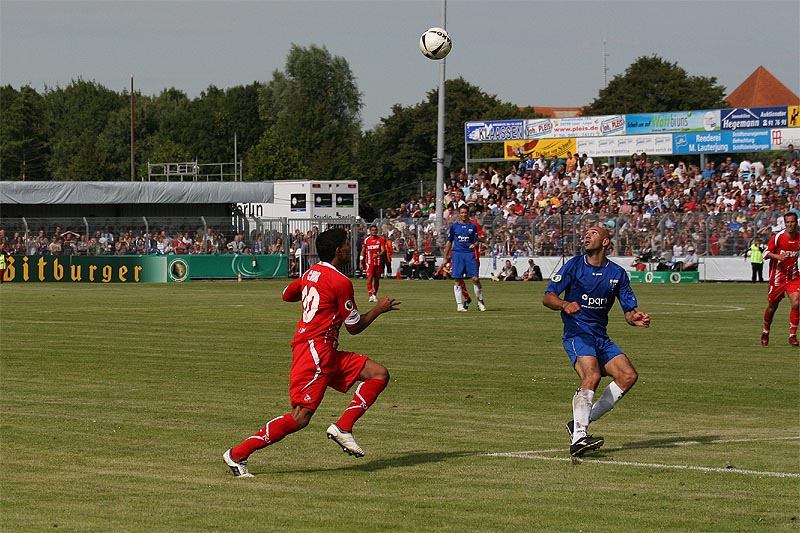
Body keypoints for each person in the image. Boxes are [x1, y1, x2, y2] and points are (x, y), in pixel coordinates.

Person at [223, 228, 401, 478]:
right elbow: (354, 327)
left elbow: (287, 295)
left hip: (325, 350)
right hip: (315, 352)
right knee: (300, 417)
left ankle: (343, 426)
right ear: (338, 250)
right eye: (348, 244)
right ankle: (237, 454)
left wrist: (311, 294)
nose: (351, 248)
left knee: (378, 374)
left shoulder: (312, 272)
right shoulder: (341, 282)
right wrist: (379, 309)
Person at [543, 226, 651, 458]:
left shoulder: (617, 274)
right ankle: (579, 438)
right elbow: (548, 296)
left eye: (593, 232)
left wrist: (636, 318)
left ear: (605, 242)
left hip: (600, 337)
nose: (587, 235)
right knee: (591, 376)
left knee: (628, 376)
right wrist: (564, 304)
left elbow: (628, 313)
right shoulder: (574, 265)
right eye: (586, 232)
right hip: (577, 333)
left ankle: (580, 423)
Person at [761, 212, 800, 347]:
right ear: (785, 223)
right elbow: (765, 253)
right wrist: (778, 256)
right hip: (777, 278)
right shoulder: (778, 237)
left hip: (793, 277)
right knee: (772, 307)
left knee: (796, 303)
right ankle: (766, 332)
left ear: (797, 222)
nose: (790, 224)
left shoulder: (799, 238)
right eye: (788, 222)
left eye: (792, 222)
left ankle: (792, 335)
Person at [443, 205, 486, 312]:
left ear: (468, 213)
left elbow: (477, 240)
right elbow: (449, 241)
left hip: (469, 254)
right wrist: (445, 257)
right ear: (459, 214)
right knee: (457, 279)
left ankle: (480, 302)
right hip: (457, 253)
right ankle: (459, 305)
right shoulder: (454, 226)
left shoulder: (473, 226)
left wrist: (475, 244)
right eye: (461, 213)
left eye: (465, 212)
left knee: (475, 278)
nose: (463, 214)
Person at [360, 225, 385, 302]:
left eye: (375, 230)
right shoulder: (366, 240)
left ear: (377, 231)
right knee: (369, 278)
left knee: (376, 279)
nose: (374, 231)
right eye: (372, 230)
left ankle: (374, 295)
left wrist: (378, 254)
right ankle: (370, 295)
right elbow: (363, 251)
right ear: (370, 231)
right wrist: (361, 262)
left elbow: (383, 250)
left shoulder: (380, 239)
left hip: (378, 262)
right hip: (369, 262)